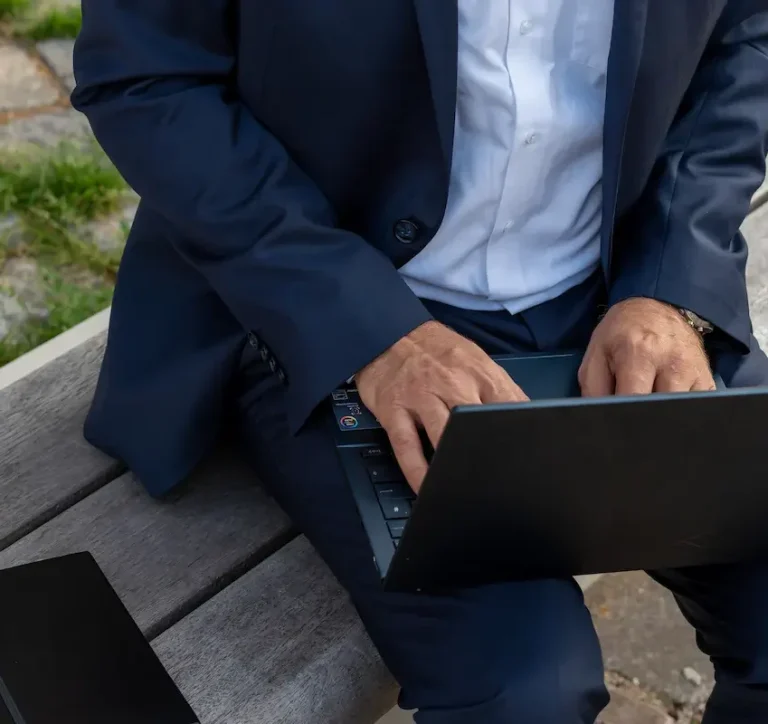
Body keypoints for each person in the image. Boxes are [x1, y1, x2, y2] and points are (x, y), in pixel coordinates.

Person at [72, 1, 768, 722]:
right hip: (323, 295)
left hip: (616, 274)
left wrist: (666, 283)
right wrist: (367, 327)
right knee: (527, 690)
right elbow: (146, 79)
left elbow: (745, 34)